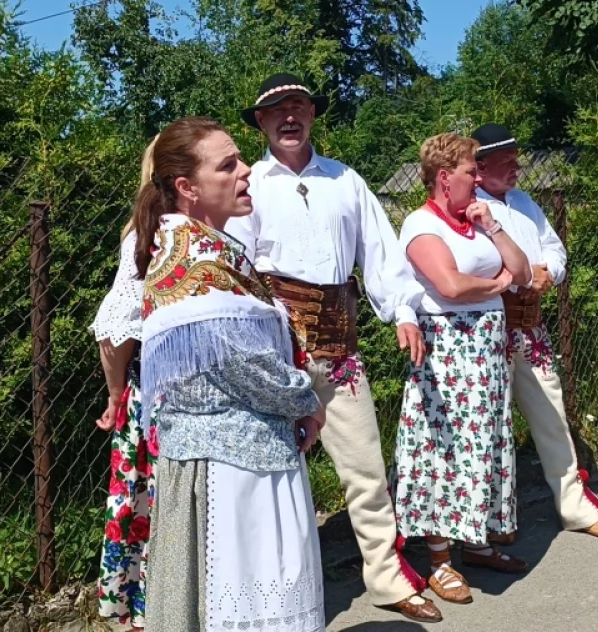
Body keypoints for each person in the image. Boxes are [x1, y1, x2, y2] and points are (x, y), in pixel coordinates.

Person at [236, 73, 441, 622]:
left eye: (298, 106)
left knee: (366, 468)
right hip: (275, 357)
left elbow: (378, 251)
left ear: (312, 114)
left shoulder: (345, 180)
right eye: (276, 109)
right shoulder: (248, 184)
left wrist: (402, 310)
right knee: (273, 479)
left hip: (341, 350)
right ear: (260, 122)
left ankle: (387, 576)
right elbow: (239, 274)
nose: (288, 117)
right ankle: (277, 594)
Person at [136, 116, 326, 631]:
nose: (245, 171)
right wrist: (310, 397)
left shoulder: (211, 249)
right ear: (187, 188)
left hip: (242, 454)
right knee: (241, 607)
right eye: (228, 165)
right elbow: (246, 371)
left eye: (240, 159)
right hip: (231, 470)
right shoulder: (196, 260)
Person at [392, 132, 532, 605]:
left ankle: (476, 540)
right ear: (443, 176)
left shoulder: (475, 221)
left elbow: (524, 271)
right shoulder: (420, 224)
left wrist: (493, 228)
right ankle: (439, 559)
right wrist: (497, 283)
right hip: (449, 355)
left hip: (485, 353)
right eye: (472, 171)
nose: (477, 179)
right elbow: (449, 285)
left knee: (484, 443)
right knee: (445, 449)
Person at [471, 123, 598, 539]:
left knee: (552, 416)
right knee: (489, 424)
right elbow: (474, 264)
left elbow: (555, 248)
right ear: (480, 167)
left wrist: (547, 274)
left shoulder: (523, 202)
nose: (517, 167)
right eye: (507, 161)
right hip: (492, 328)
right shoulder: (468, 206)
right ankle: (490, 520)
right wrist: (520, 276)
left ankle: (574, 506)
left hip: (531, 323)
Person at [90, 136, 159, 630]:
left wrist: (116, 394)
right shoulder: (152, 236)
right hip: (162, 395)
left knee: (142, 500)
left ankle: (142, 609)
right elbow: (118, 325)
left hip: (150, 393)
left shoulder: (142, 232)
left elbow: (113, 338)